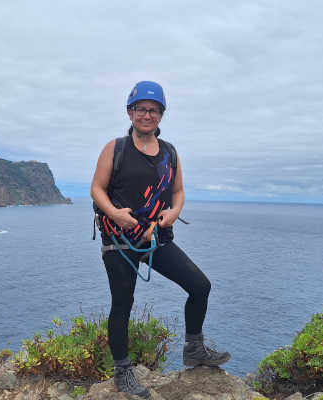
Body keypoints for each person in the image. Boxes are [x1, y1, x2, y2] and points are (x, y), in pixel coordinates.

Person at [90, 81, 230, 398]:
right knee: (122, 304)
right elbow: (97, 188)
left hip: (157, 238)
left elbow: (178, 192)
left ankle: (194, 349)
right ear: (130, 112)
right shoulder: (116, 149)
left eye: (153, 110)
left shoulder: (170, 153)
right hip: (120, 240)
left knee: (200, 286)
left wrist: (174, 211)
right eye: (141, 109)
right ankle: (123, 371)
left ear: (161, 115)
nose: (147, 115)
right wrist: (115, 214)